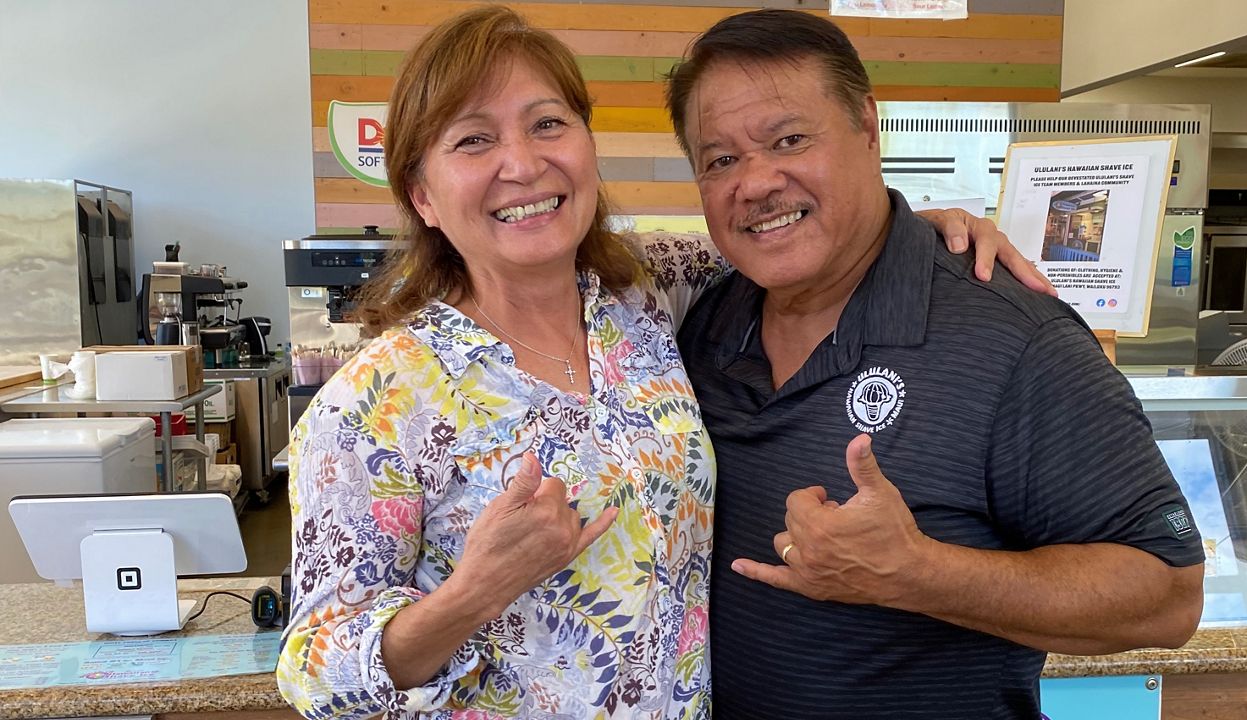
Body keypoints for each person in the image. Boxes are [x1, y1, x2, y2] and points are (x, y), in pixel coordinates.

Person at [277, 6, 1045, 720]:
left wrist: (924, 229)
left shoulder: (646, 295)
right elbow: (312, 678)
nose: (523, 163)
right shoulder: (373, 404)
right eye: (473, 141)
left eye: (548, 123)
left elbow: (795, 232)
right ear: (423, 196)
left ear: (586, 145)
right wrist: (473, 593)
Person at [665, 9, 1206, 719]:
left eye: (789, 139)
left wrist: (917, 574)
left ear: (867, 126)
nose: (756, 182)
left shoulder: (1013, 337)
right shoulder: (698, 321)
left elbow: (1168, 594)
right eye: (720, 160)